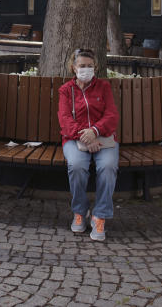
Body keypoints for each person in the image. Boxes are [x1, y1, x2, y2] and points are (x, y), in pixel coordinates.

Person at [58, 48, 119, 241]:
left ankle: (99, 215)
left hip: (103, 138)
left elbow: (111, 115)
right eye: (82, 66)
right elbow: (65, 119)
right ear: (73, 68)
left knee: (108, 167)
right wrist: (85, 136)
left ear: (96, 67)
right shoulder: (66, 90)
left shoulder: (104, 87)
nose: (86, 69)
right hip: (75, 139)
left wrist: (95, 132)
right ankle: (79, 211)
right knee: (76, 166)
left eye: (90, 66)